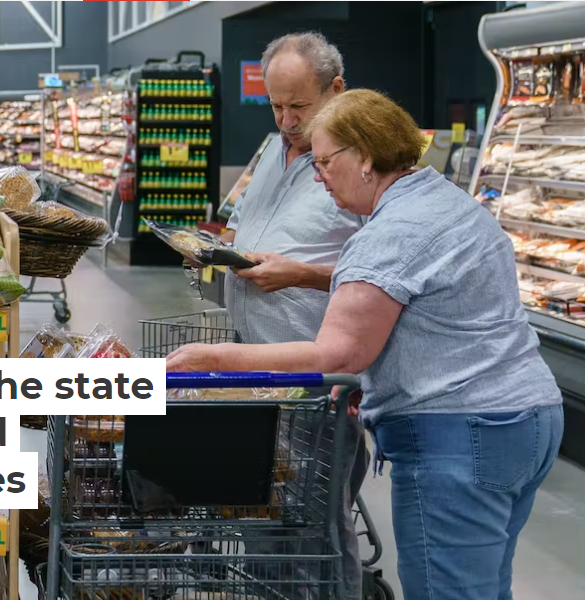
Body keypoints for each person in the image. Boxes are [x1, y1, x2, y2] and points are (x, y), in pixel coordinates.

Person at [166, 89, 564, 600]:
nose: (318, 174)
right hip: (527, 417)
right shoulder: (444, 199)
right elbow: (413, 301)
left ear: (367, 157)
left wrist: (212, 360)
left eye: (327, 161)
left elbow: (338, 354)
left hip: (457, 436)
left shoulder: (389, 234)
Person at [218, 32, 368, 599]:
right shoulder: (274, 150)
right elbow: (248, 227)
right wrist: (226, 251)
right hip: (256, 366)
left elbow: (389, 273)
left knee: (312, 527)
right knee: (262, 513)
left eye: (298, 107)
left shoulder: (358, 163)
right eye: (276, 105)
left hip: (316, 379)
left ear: (336, 90)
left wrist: (300, 273)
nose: (286, 119)